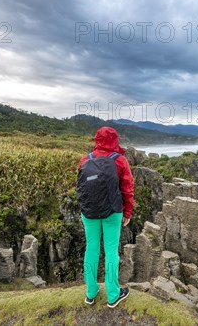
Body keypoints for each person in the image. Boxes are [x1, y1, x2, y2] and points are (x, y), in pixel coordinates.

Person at [76, 126, 134, 308]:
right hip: (112, 213)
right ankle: (113, 295)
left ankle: (91, 293)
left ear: (96, 139)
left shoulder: (85, 159)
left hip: (89, 213)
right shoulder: (120, 160)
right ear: (115, 140)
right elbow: (127, 188)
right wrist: (127, 212)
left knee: (91, 249)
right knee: (111, 251)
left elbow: (80, 186)